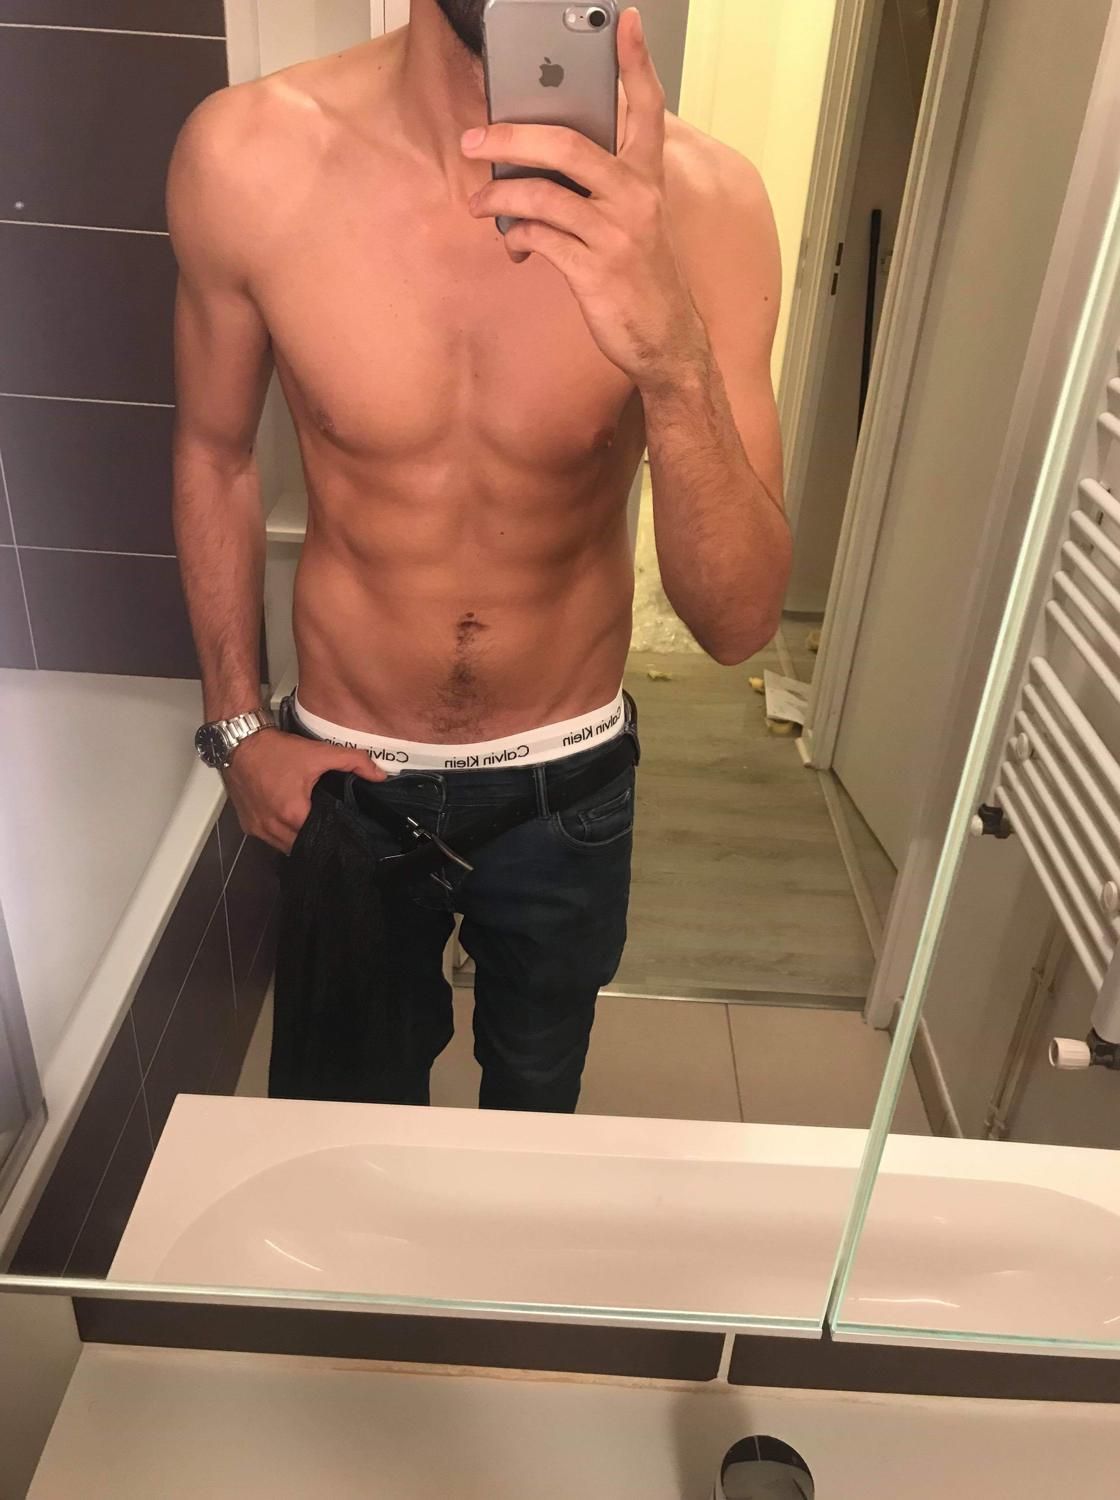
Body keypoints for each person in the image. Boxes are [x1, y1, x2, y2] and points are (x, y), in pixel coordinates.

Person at [169, 1, 792, 1112]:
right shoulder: (248, 155)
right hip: (345, 776)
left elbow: (739, 623)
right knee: (348, 1129)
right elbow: (213, 455)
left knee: (534, 1120)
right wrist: (236, 729)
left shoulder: (707, 204)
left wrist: (671, 356)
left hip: (568, 784)